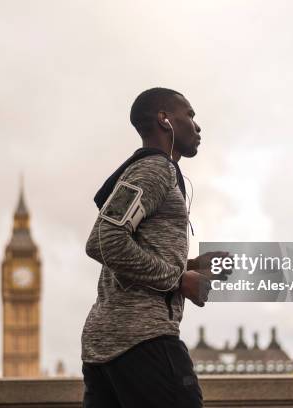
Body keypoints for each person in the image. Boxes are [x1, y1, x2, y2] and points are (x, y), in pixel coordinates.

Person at [82, 87, 229, 408]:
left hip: (106, 346)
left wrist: (191, 264)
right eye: (189, 115)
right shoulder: (154, 169)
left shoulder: (146, 170)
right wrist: (179, 281)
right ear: (165, 120)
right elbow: (106, 242)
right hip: (142, 340)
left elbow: (105, 241)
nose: (197, 125)